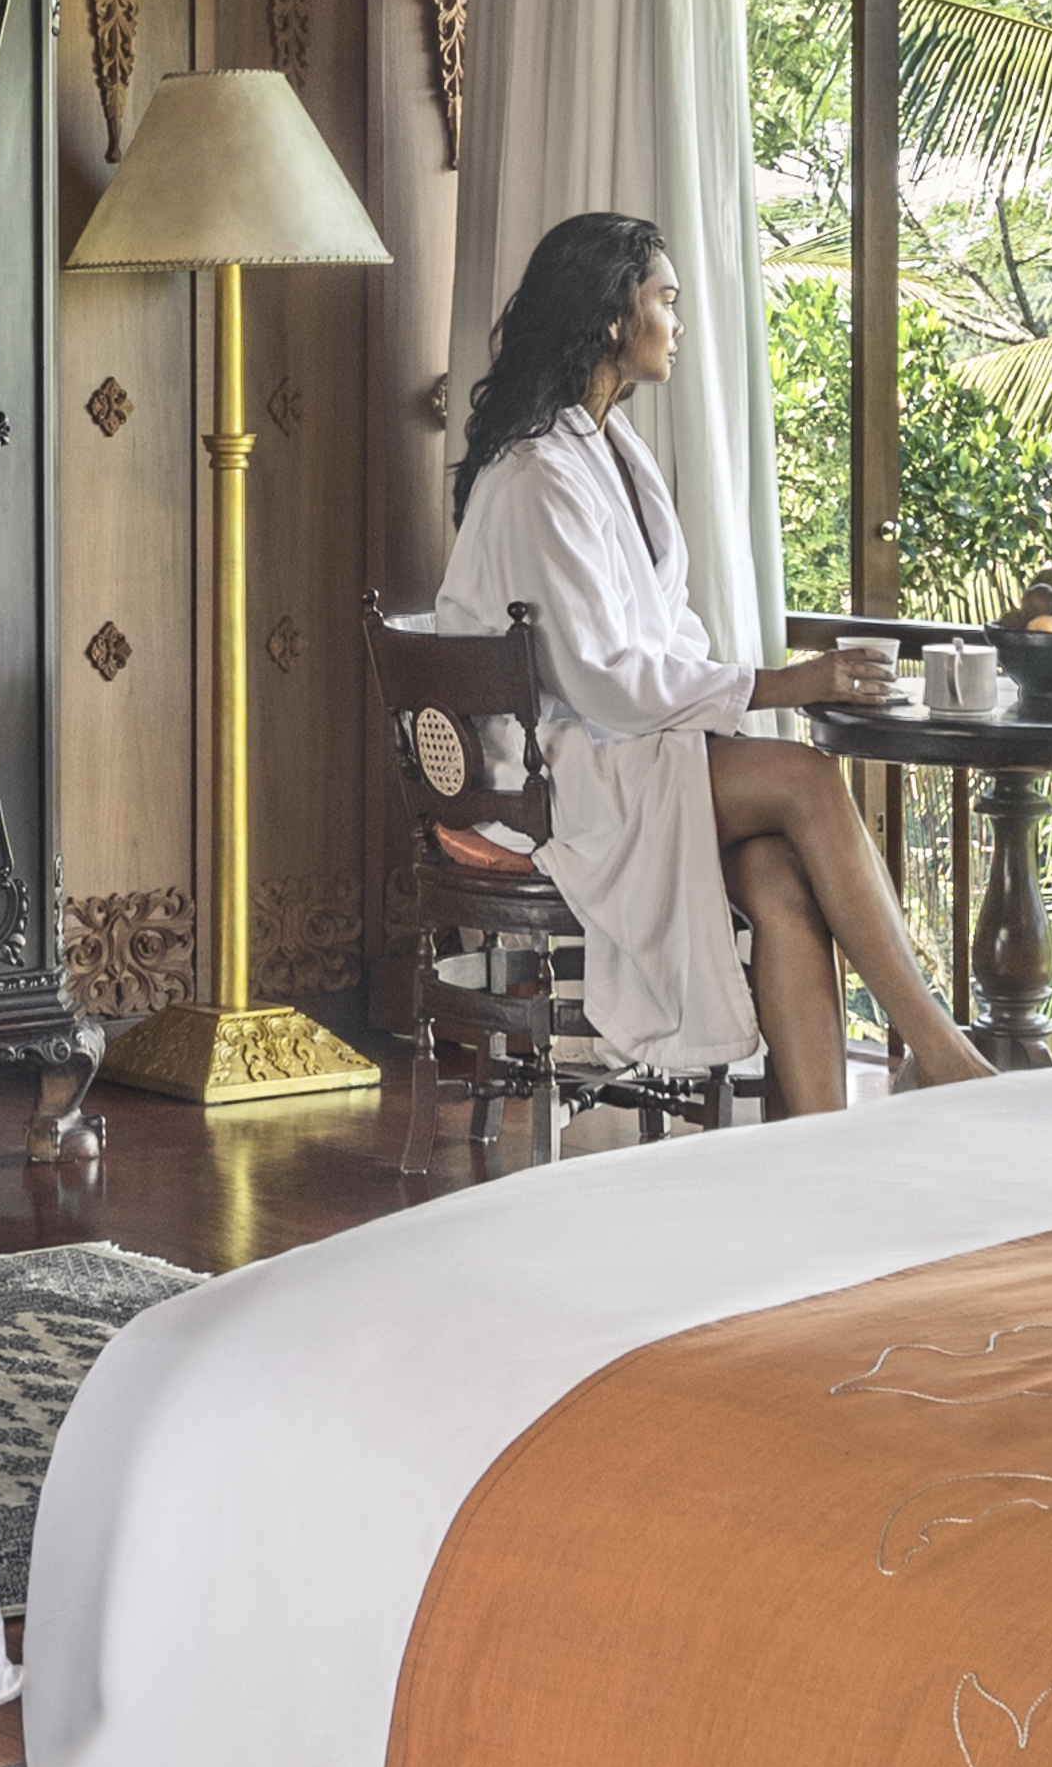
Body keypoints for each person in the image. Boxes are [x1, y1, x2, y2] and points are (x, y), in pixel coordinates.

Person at [427, 209, 999, 1116]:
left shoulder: (618, 453)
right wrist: (786, 684)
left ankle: (817, 1140)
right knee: (809, 781)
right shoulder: (539, 475)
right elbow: (603, 679)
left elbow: (670, 635)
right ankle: (941, 1051)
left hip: (621, 747)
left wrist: (731, 698)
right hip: (554, 779)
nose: (678, 323)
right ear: (615, 318)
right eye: (666, 300)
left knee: (775, 873)